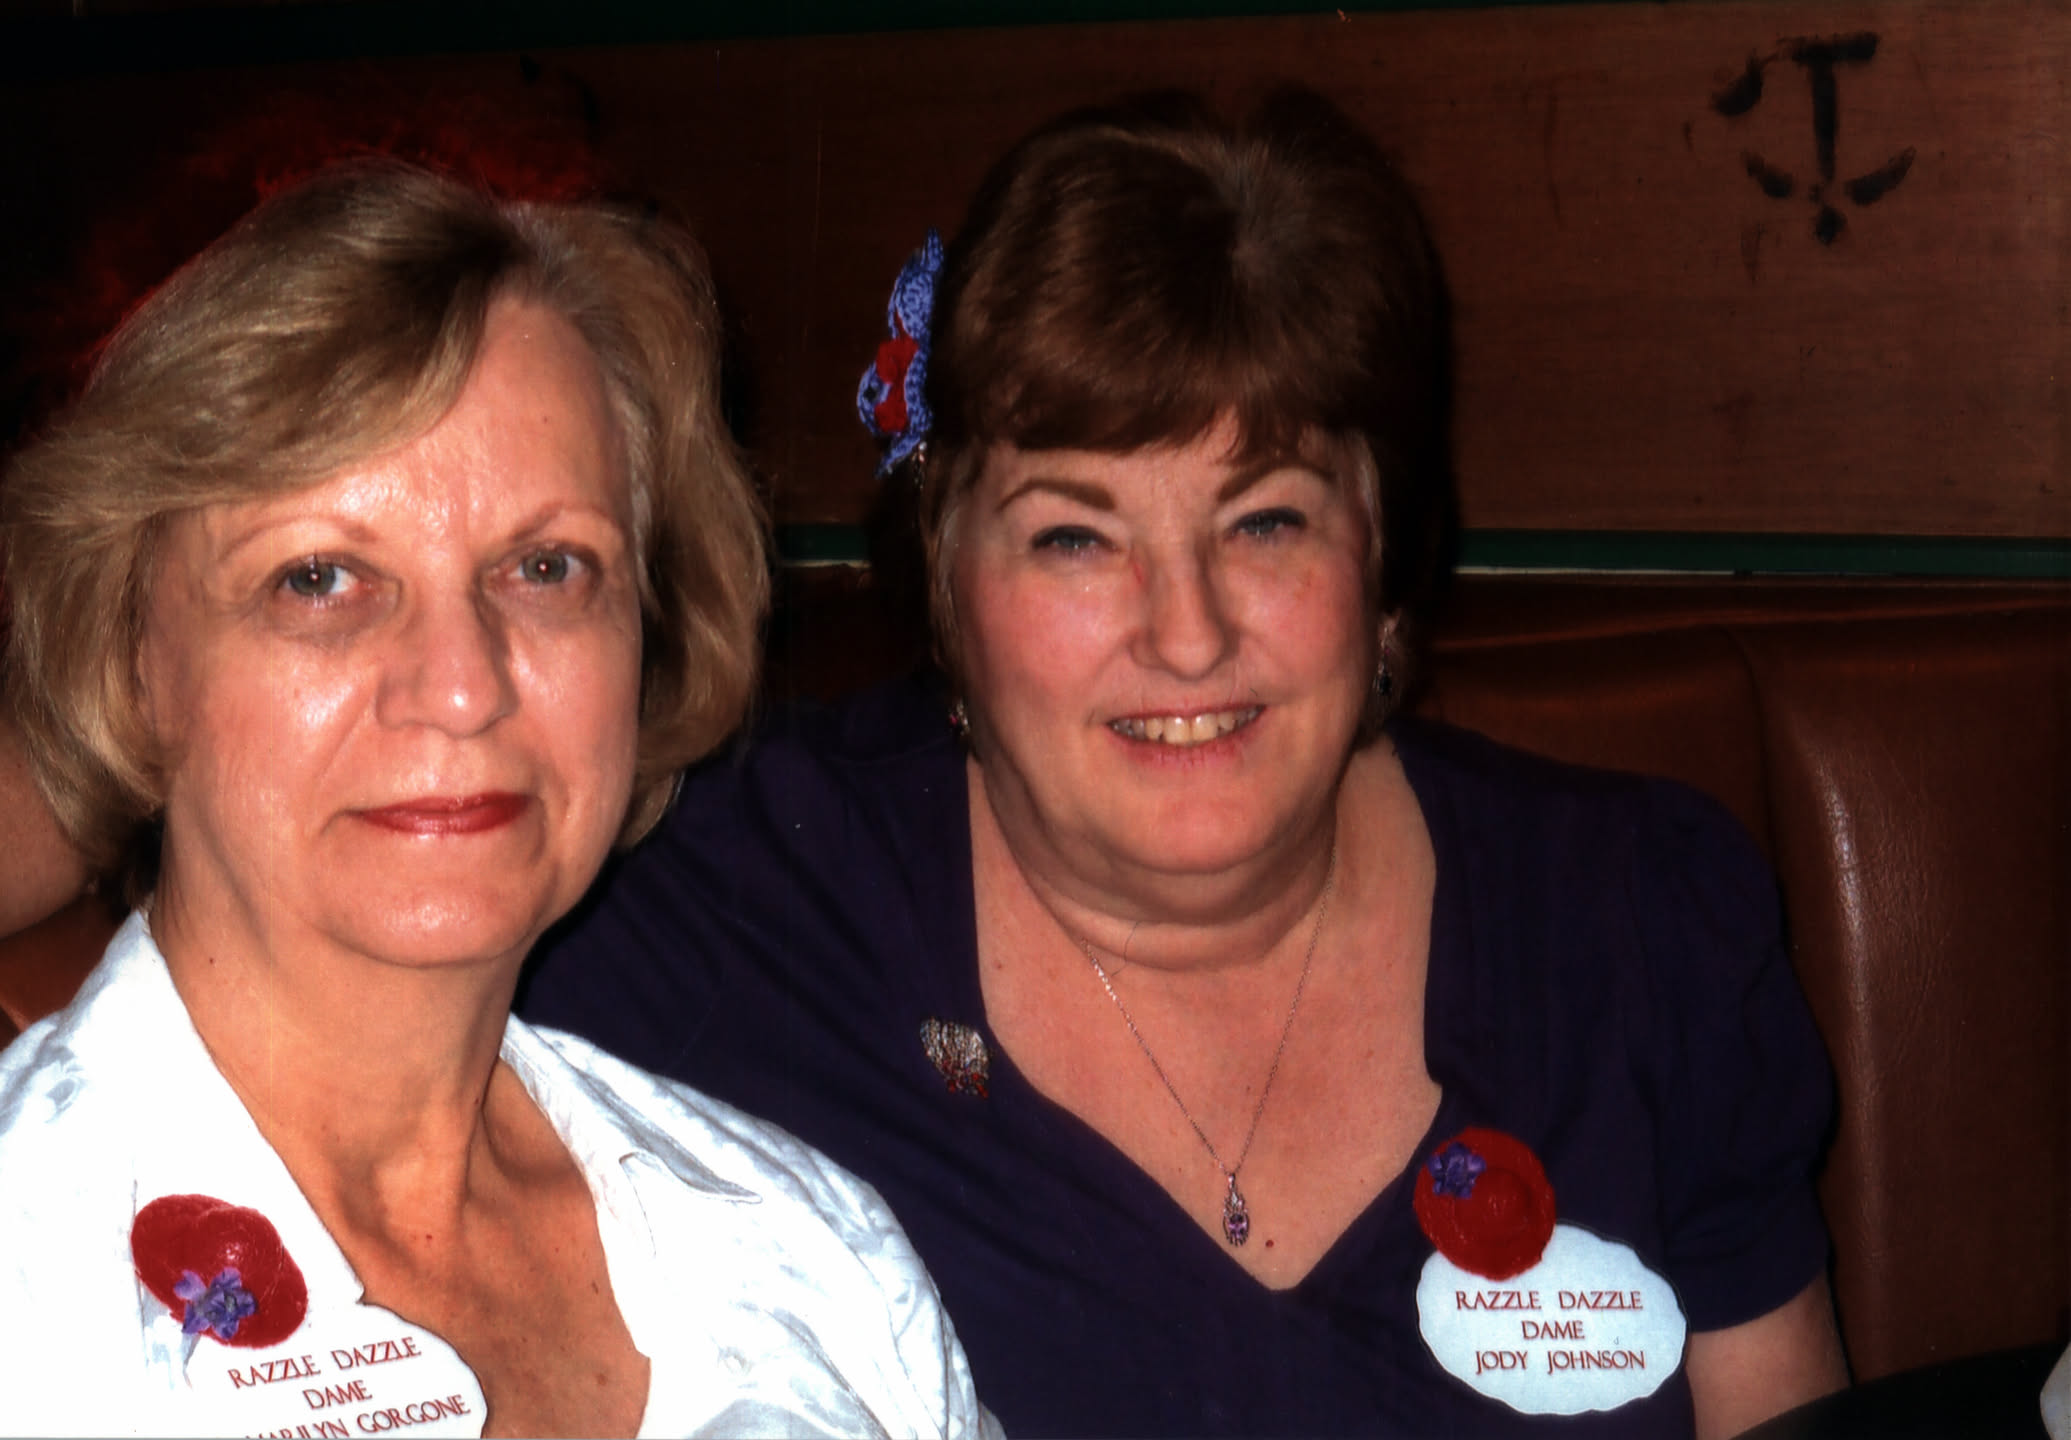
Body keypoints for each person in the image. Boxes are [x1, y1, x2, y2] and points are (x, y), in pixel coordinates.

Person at [521, 90, 1849, 1437]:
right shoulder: (700, 909)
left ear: (1379, 557)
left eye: (1265, 521)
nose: (1189, 633)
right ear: (943, 581)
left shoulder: (1636, 924)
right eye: (1074, 538)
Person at [0, 160, 993, 1439]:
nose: (465, 688)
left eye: (546, 567)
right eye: (320, 578)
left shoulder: (814, 1251)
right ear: (131, 660)